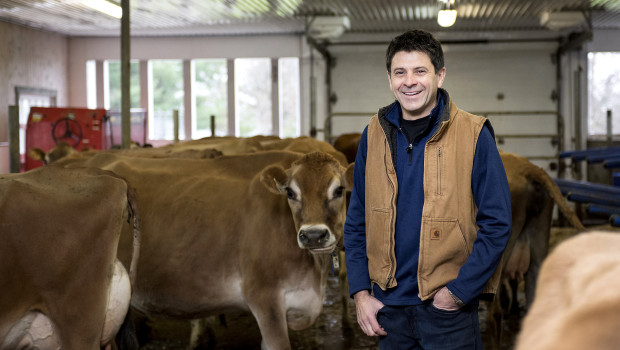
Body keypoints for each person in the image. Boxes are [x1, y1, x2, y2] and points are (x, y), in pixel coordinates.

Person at [343, 29, 512, 349]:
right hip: (387, 311)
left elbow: (497, 223)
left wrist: (457, 293)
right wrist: (361, 294)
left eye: (420, 70)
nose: (410, 81)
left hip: (447, 313)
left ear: (440, 75)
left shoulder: (474, 134)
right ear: (389, 79)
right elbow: (356, 222)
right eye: (400, 72)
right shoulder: (373, 134)